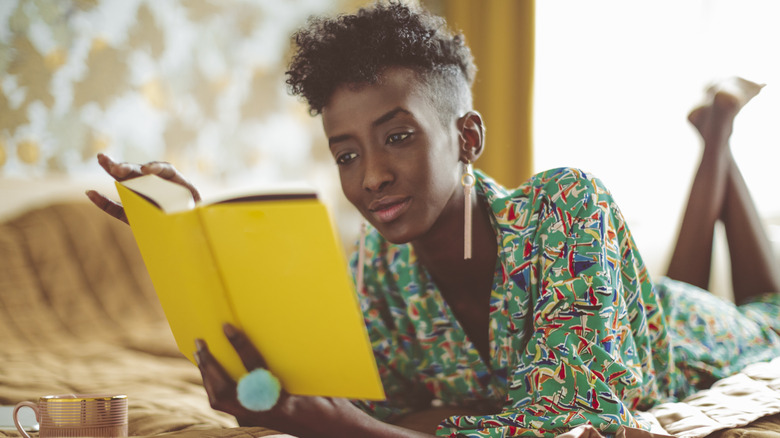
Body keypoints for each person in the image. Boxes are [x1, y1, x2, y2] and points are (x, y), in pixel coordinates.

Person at [86, 2, 780, 437]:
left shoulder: (567, 203)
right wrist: (199, 245)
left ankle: (717, 128)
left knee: (767, 318)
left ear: (467, 138)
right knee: (665, 294)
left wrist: (355, 432)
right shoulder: (378, 259)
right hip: (632, 321)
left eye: (397, 136)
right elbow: (382, 403)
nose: (371, 176)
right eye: (346, 153)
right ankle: (716, 122)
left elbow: (578, 422)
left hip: (685, 337)